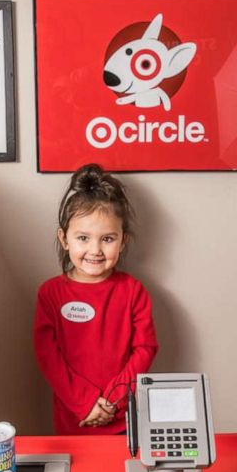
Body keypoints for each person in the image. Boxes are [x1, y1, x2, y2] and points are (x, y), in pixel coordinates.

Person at [33, 163, 158, 434]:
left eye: (107, 239)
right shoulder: (50, 293)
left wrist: (113, 400)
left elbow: (145, 349)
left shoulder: (133, 291)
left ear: (123, 241)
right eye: (83, 238)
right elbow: (48, 356)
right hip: (75, 417)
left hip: (122, 417)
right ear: (64, 239)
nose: (95, 250)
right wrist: (86, 402)